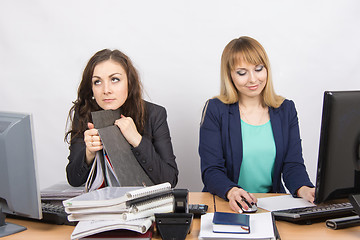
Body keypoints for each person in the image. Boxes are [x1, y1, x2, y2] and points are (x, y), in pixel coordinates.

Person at [199, 36, 315, 213]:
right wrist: (232, 191)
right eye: (242, 73)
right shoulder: (216, 109)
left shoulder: (285, 109)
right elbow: (212, 170)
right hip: (227, 202)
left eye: (258, 69)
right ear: (229, 75)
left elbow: (293, 164)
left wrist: (305, 190)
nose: (253, 79)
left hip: (270, 204)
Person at [65, 49, 178, 188]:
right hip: (102, 205)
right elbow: (73, 179)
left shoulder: (154, 114)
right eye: (97, 82)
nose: (106, 90)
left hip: (142, 205)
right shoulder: (84, 113)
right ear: (91, 87)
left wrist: (137, 140)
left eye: (115, 79)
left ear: (129, 82)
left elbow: (170, 180)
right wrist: (89, 153)